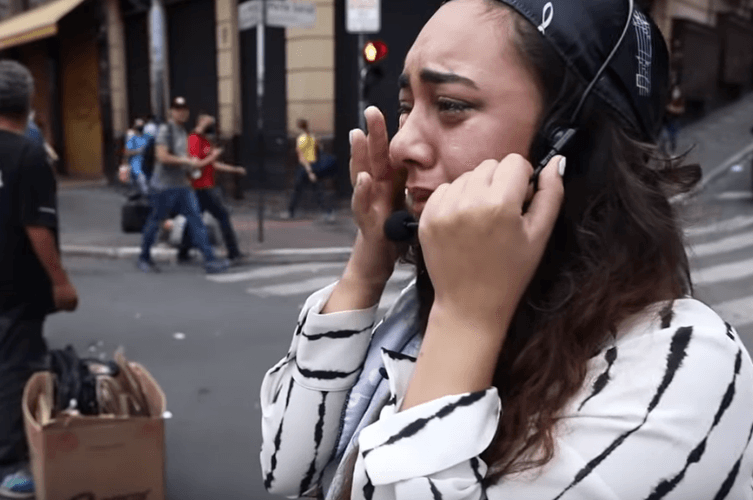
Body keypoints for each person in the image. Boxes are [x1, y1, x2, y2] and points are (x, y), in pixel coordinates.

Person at [259, 1, 753, 499]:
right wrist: (368, 263)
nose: (401, 145)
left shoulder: (685, 367)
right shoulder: (435, 302)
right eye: (406, 105)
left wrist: (465, 322)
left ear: (570, 144)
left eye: (450, 105)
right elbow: (287, 466)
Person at [0, 60, 79, 498]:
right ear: (30, 101)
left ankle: (25, 439)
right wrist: (61, 282)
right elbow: (37, 227)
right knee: (13, 369)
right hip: (19, 282)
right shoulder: (29, 155)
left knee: (21, 359)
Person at [138, 96, 229, 273]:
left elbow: (183, 158)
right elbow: (162, 156)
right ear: (171, 112)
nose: (181, 113)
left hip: (182, 186)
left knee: (196, 221)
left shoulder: (182, 132)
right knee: (155, 221)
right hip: (163, 187)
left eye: (184, 109)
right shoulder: (166, 130)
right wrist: (186, 161)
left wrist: (191, 166)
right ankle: (144, 257)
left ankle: (210, 261)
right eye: (177, 109)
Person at [178, 112, 246, 263]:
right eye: (209, 123)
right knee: (223, 216)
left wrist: (234, 169)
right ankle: (233, 252)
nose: (212, 126)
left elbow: (213, 165)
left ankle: (183, 252)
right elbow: (195, 164)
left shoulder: (206, 141)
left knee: (194, 218)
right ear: (201, 122)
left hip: (207, 185)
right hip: (200, 186)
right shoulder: (194, 139)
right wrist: (213, 156)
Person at [282, 118, 335, 222]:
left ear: (299, 127)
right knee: (318, 191)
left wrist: (309, 172)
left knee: (298, 191)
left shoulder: (301, 139)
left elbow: (302, 157)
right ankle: (328, 213)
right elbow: (319, 150)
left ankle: (290, 212)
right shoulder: (312, 137)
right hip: (314, 166)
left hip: (304, 168)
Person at [124, 118, 150, 194]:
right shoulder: (132, 135)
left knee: (138, 174)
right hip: (136, 157)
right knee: (136, 174)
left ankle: (143, 191)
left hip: (140, 157)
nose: (140, 127)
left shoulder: (143, 135)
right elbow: (128, 149)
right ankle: (142, 191)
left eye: (141, 125)